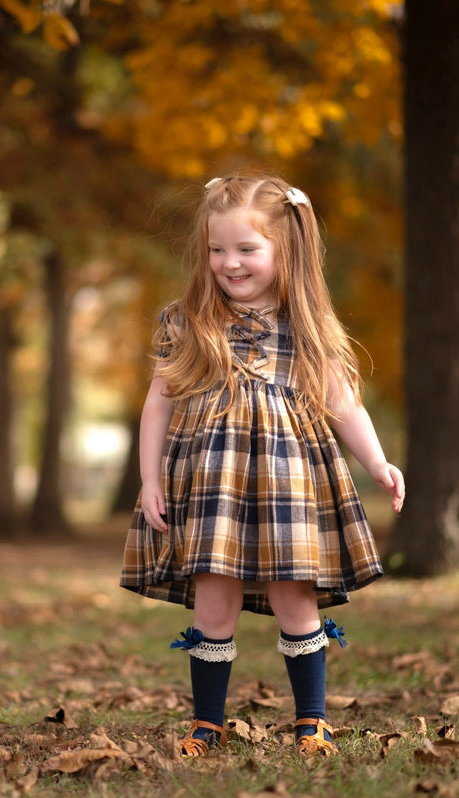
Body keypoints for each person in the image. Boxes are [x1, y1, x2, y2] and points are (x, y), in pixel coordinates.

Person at [120, 174, 405, 759]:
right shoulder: (187, 319)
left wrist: (376, 460)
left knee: (294, 597)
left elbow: (343, 404)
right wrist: (150, 479)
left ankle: (312, 720)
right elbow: (159, 402)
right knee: (213, 597)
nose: (230, 263)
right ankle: (207, 722)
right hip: (211, 486)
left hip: (288, 481)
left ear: (285, 250)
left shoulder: (307, 326)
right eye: (217, 249)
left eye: (247, 249)